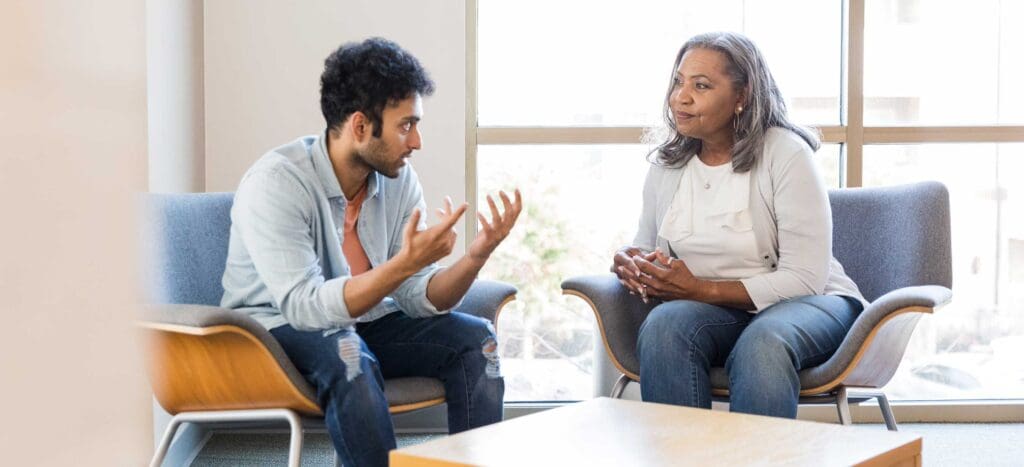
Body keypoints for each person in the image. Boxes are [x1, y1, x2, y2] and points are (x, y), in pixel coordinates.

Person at [221, 37, 522, 466]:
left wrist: (475, 256)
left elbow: (416, 295)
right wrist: (404, 264)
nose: (416, 141)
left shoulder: (398, 179)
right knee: (349, 355)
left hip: (362, 322)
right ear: (360, 126)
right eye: (406, 125)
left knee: (479, 342)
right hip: (274, 331)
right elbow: (304, 307)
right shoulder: (277, 182)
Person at [612, 31, 867, 419]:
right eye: (678, 82)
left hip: (810, 303)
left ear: (742, 97)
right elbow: (648, 245)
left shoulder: (786, 153)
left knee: (763, 342)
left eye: (701, 85)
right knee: (665, 326)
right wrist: (632, 264)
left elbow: (805, 279)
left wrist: (699, 288)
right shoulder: (667, 163)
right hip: (718, 310)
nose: (681, 96)